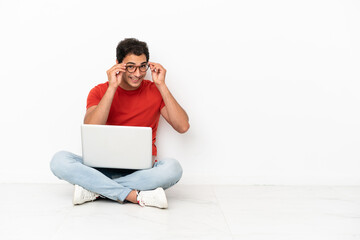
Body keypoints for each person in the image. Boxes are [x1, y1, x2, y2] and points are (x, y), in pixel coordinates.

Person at [50, 38, 189, 209]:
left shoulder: (155, 90)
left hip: (142, 171)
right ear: (118, 64)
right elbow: (91, 126)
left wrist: (161, 84)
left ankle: (95, 189)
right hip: (100, 168)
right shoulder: (100, 91)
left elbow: (183, 126)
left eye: (142, 66)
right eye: (130, 66)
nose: (138, 73)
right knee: (59, 161)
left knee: (173, 169)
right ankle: (133, 195)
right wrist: (112, 87)